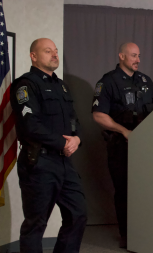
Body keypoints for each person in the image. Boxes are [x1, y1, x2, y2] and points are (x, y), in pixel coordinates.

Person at [10, 38, 87, 252]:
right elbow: (30, 125)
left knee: (78, 214)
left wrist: (77, 139)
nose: (54, 54)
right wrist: (63, 142)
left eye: (55, 51)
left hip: (64, 163)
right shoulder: (25, 85)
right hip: (40, 163)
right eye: (47, 51)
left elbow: (75, 120)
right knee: (36, 224)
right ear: (33, 56)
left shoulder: (61, 86)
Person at [91, 42, 153, 248]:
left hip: (147, 147)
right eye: (133, 56)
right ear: (121, 56)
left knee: (148, 190)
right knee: (125, 191)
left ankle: (147, 231)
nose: (137, 60)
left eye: (139, 55)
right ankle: (128, 236)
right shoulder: (108, 82)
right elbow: (98, 115)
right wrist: (124, 131)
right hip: (121, 146)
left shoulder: (145, 81)